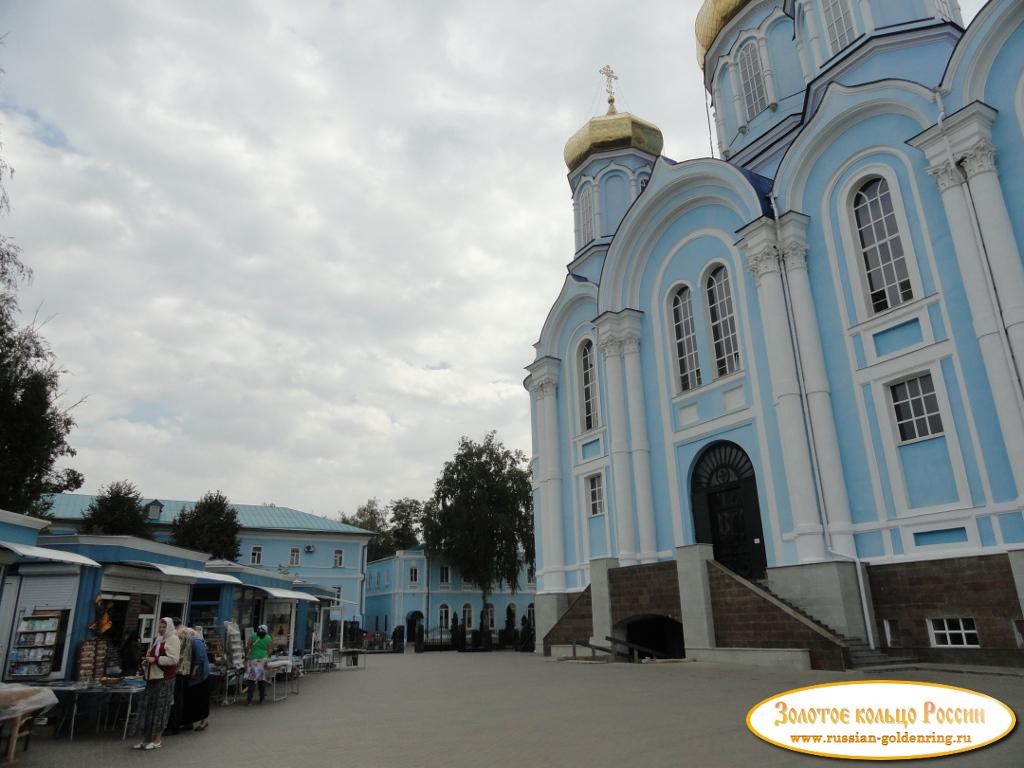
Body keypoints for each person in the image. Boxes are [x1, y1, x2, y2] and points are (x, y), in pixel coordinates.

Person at [133, 617, 180, 751]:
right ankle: (146, 738)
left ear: (169, 628)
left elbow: (173, 659)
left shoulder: (173, 639)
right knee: (148, 708)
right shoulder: (158, 639)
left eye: (163, 627)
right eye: (159, 627)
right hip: (152, 678)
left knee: (160, 709)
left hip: (164, 679)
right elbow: (152, 655)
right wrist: (147, 661)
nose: (160, 629)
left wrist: (156, 659)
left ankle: (157, 739)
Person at [163, 619, 194, 735]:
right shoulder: (189, 633)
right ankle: (182, 722)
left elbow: (173, 654)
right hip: (185, 669)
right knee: (181, 698)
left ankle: (172, 725)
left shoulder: (176, 636)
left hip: (175, 670)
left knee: (174, 700)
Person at [182, 625, 210, 731]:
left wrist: (193, 671)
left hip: (200, 676)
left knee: (200, 698)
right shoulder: (191, 641)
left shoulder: (196, 642)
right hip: (193, 676)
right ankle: (189, 721)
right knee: (191, 698)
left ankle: (203, 721)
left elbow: (199, 657)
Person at [243, 624, 272, 705]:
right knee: (261, 680)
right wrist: (267, 656)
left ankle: (249, 701)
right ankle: (262, 699)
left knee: (251, 681)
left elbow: (247, 647)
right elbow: (269, 650)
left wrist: (246, 655)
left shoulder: (252, 635)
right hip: (262, 661)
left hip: (252, 661)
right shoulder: (268, 638)